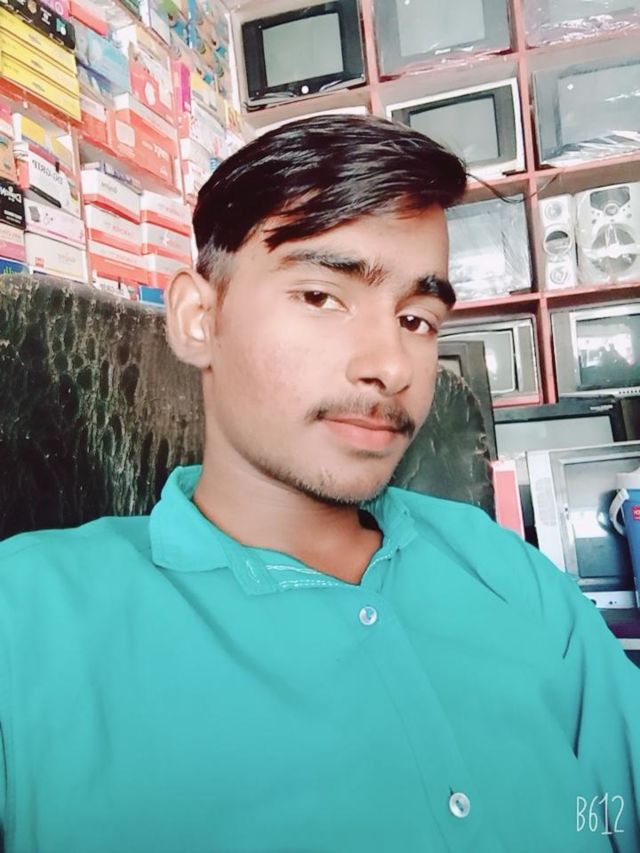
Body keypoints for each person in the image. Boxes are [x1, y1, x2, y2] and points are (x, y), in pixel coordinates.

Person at [0, 115, 638, 853]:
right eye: (321, 297)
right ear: (198, 320)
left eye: (416, 318)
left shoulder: (505, 571)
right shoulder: (28, 618)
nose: (390, 366)